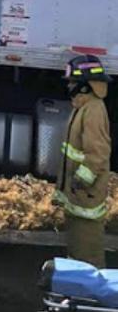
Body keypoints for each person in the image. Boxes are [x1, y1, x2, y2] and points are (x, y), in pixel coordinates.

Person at [55, 54, 112, 268]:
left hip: (86, 194)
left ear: (85, 86)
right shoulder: (83, 106)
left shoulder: (94, 110)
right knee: (78, 250)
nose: (69, 86)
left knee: (88, 253)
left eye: (73, 82)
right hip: (78, 193)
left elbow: (97, 153)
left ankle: (95, 297)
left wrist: (82, 180)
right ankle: (80, 291)